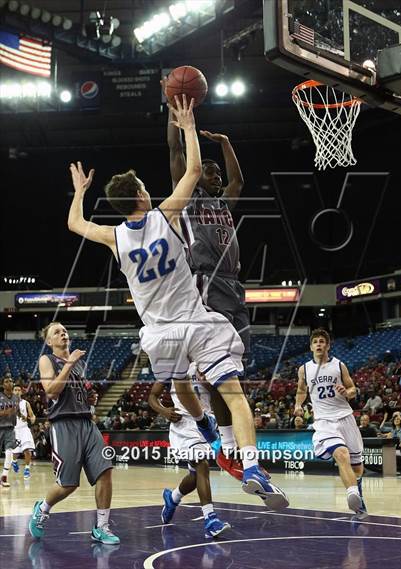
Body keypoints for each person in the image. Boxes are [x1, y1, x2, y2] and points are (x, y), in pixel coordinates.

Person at [67, 95, 288, 510]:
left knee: (182, 386)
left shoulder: (114, 237)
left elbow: (74, 223)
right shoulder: (165, 214)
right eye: (146, 189)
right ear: (140, 197)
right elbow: (192, 170)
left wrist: (80, 192)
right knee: (235, 394)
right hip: (196, 321)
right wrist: (187, 125)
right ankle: (253, 467)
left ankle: (204, 425)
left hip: (158, 334)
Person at [164, 81, 248, 479]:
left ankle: (227, 441)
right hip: (204, 282)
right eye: (209, 171)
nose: (214, 176)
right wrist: (177, 118)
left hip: (234, 284)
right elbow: (176, 153)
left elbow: (239, 183)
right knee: (216, 368)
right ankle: (227, 444)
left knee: (233, 364)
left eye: (215, 173)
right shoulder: (190, 200)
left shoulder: (223, 201)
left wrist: (226, 143)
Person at [29, 322, 119, 544]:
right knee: (68, 484)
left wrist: (90, 398)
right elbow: (51, 391)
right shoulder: (47, 360)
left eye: (64, 331)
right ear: (49, 341)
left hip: (87, 423)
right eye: (57, 332)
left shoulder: (80, 365)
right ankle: (43, 508)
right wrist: (69, 363)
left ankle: (102, 527)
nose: (63, 334)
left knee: (105, 470)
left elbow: (77, 392)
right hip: (63, 425)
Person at [148, 370, 231, 538]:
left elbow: (220, 395)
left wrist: (209, 384)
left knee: (195, 475)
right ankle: (210, 519)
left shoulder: (208, 362)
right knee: (202, 465)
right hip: (184, 423)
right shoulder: (173, 365)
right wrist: (164, 411)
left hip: (206, 422)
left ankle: (172, 498)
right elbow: (152, 396)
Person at [294, 329, 367, 517]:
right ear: (311, 347)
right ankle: (351, 493)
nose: (319, 344)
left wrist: (347, 392)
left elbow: (353, 389)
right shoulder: (304, 369)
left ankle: (358, 496)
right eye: (315, 342)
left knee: (358, 467)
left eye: (322, 341)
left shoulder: (339, 365)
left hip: (345, 417)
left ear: (327, 345)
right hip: (324, 420)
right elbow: (301, 390)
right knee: (341, 455)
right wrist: (298, 405)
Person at [11, 385, 36, 479]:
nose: (17, 391)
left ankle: (27, 469)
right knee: (15, 453)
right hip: (14, 430)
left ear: (21, 392)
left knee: (27, 450)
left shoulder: (26, 403)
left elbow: (32, 416)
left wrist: (32, 419)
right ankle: (14, 461)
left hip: (24, 429)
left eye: (19, 390)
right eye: (15, 390)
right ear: (13, 391)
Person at [0, 376, 19, 487]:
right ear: (3, 385)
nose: (10, 383)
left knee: (9, 452)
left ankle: (4, 477)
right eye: (7, 381)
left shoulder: (16, 398)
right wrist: (6, 412)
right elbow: (8, 411)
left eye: (11, 381)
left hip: (10, 428)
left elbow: (17, 411)